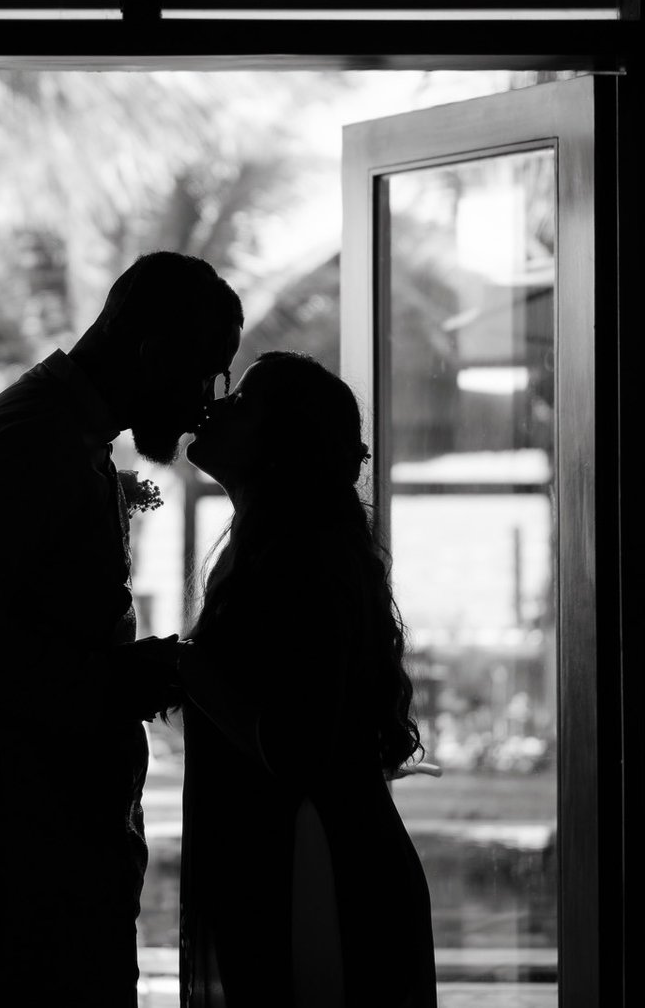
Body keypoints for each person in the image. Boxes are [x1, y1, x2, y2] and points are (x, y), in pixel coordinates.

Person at [0, 252, 243, 1008]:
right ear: (152, 355)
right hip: (25, 864)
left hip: (44, 851)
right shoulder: (35, 439)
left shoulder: (60, 429)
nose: (207, 402)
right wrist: (108, 684)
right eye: (204, 374)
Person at [168, 350, 438, 1008]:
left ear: (279, 445)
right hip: (295, 865)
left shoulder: (301, 562)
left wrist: (180, 666)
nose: (219, 403)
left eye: (245, 400)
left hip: (312, 876)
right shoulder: (270, 548)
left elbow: (296, 745)